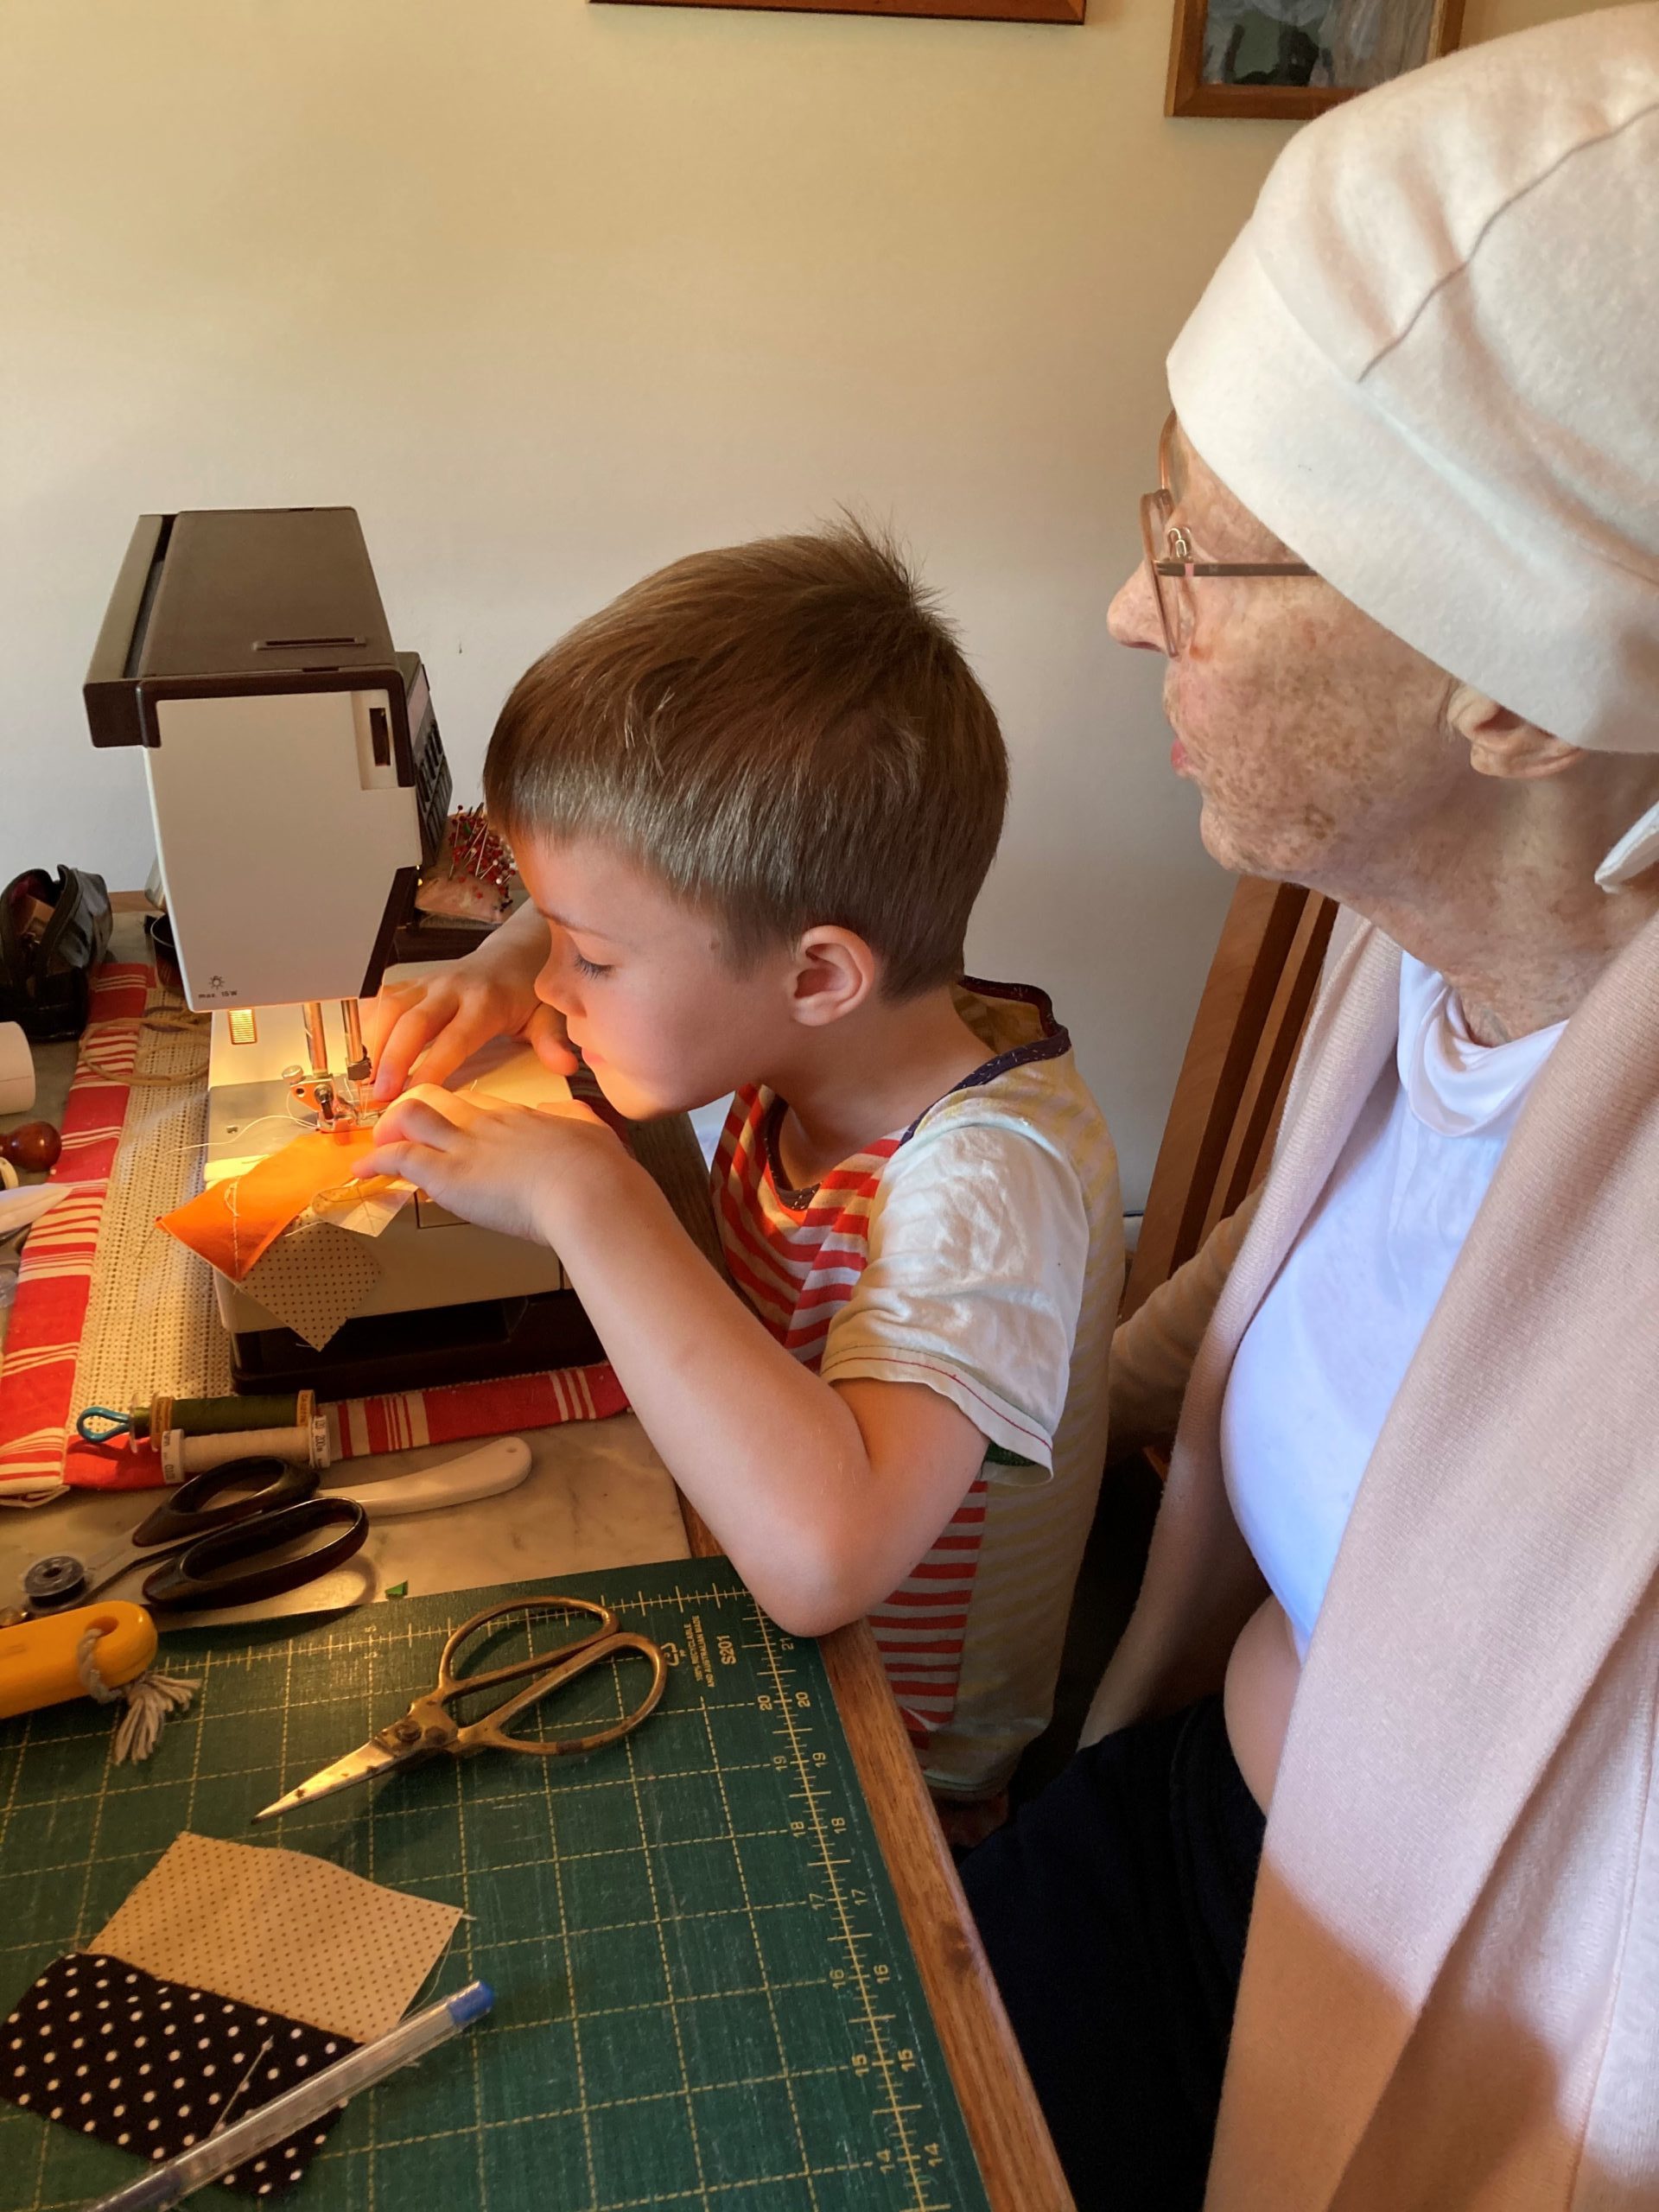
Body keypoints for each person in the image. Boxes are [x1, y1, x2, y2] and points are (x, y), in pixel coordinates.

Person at [961, 10, 1659, 2209]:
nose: (1123, 604)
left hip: (1432, 2075)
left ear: (1522, 694)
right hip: (1192, 1829)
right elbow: (1287, 1337)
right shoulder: (1416, 938)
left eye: (1203, 557)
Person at [362, 521, 1122, 1819]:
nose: (564, 982)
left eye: (594, 960)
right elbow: (665, 911)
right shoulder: (815, 1026)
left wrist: (586, 1198)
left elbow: (829, 1560)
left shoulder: (987, 1188)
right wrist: (512, 959)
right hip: (753, 1558)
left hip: (897, 1764)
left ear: (817, 973)